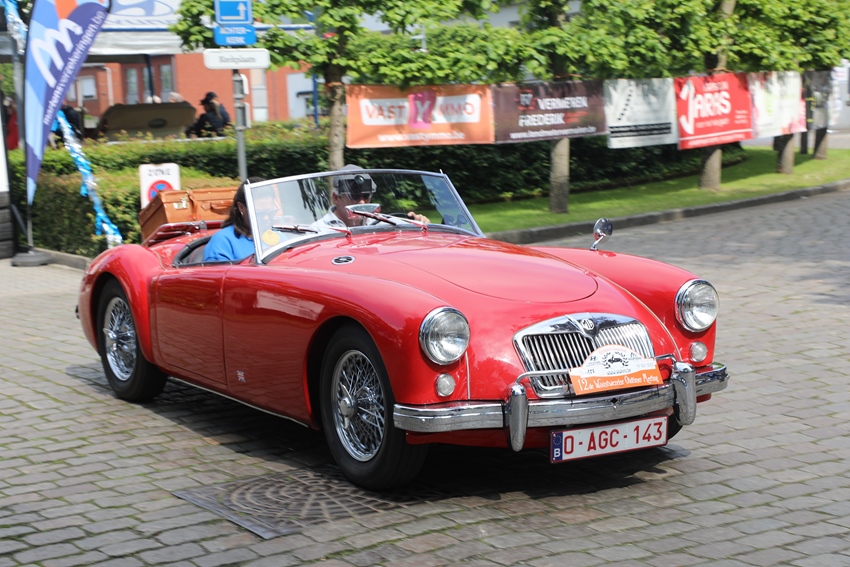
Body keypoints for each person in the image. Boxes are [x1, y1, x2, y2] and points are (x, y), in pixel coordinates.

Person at [313, 165, 429, 228]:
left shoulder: (383, 223)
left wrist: (420, 222)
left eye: (366, 196)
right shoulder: (318, 230)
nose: (362, 202)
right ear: (336, 198)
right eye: (354, 197)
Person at [203, 177, 266, 262]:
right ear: (241, 207)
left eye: (271, 212)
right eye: (260, 213)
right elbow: (217, 270)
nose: (266, 218)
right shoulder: (223, 241)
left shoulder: (279, 236)